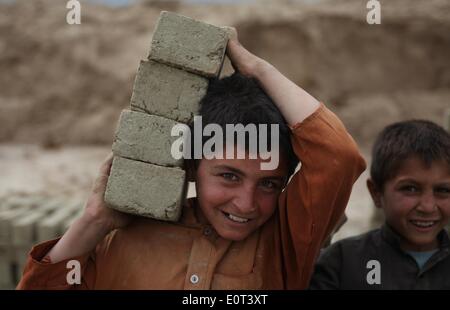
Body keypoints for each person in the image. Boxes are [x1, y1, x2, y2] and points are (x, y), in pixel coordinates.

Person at [17, 29, 365, 290]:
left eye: (269, 183)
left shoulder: (285, 245)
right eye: (229, 176)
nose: (246, 204)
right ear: (191, 166)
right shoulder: (122, 240)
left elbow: (338, 156)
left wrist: (256, 68)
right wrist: (93, 220)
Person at [309, 120, 450, 289]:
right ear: (376, 192)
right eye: (410, 189)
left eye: (443, 190)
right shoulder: (341, 262)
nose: (427, 207)